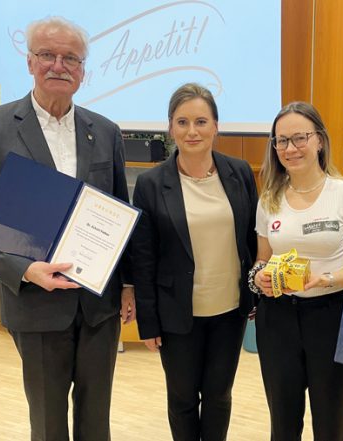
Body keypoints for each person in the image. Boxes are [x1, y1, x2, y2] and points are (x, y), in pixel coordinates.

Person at [0, 17, 134, 441]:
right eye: (48, 55)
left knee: (97, 422)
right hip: (36, 304)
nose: (59, 65)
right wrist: (24, 269)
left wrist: (127, 286)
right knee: (48, 424)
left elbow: (119, 213)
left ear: (83, 70)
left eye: (70, 58)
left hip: (98, 307)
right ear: (30, 62)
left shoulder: (105, 131)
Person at [130, 83, 258, 441]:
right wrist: (148, 320)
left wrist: (255, 295)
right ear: (170, 127)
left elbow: (252, 238)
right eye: (182, 122)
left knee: (218, 396)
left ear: (216, 126)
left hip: (229, 310)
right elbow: (143, 257)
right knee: (183, 399)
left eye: (201, 121)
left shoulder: (240, 173)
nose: (192, 131)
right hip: (176, 315)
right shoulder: (152, 184)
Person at [249, 102, 343, 441]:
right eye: (281, 141)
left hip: (330, 317)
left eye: (299, 138)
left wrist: (326, 279)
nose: (290, 148)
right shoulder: (269, 199)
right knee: (283, 423)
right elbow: (262, 260)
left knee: (331, 424)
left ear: (319, 140)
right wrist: (260, 277)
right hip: (277, 320)